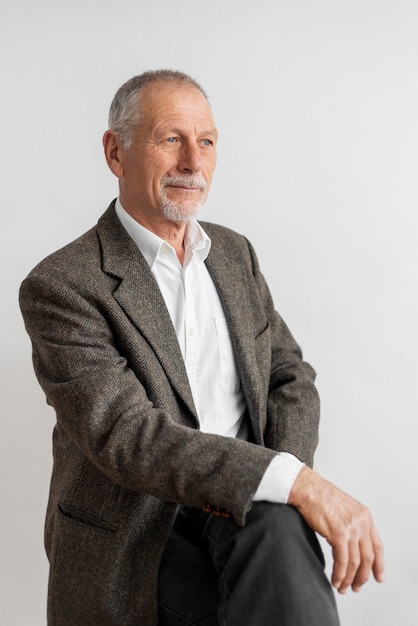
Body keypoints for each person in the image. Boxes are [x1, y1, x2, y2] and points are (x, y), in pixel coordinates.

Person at [19, 69, 384, 626]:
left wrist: (281, 482)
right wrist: (295, 482)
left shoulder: (234, 255)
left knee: (278, 530)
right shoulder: (64, 285)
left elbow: (290, 377)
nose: (193, 161)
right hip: (141, 532)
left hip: (247, 515)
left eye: (207, 142)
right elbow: (127, 437)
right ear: (115, 153)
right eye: (172, 139)